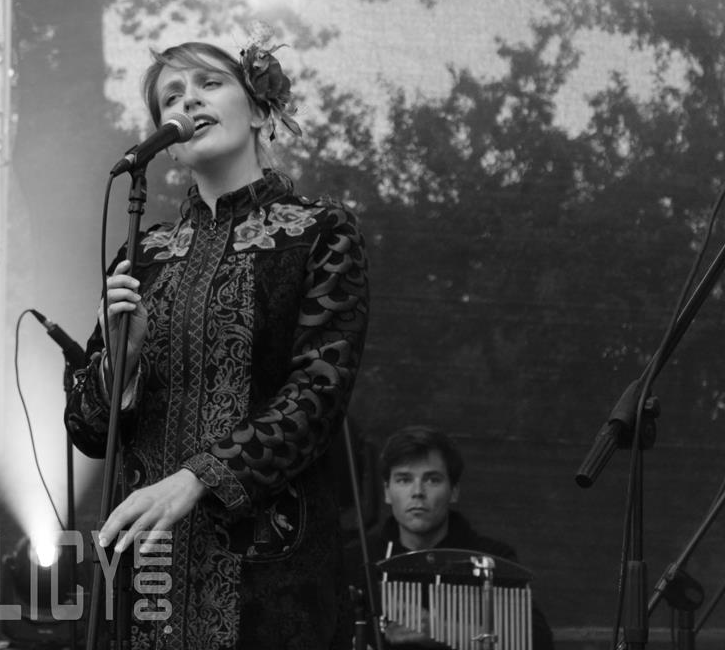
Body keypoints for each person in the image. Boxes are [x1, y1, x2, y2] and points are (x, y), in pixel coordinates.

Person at [64, 39, 370, 649]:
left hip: (271, 573)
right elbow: (89, 430)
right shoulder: (142, 254)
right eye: (172, 97)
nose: (189, 101)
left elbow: (318, 393)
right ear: (169, 144)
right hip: (148, 580)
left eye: (209, 84)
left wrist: (198, 478)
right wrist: (120, 365)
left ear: (257, 110)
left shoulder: (318, 232)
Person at [351, 426, 553, 650]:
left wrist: (441, 631)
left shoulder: (492, 559)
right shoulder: (358, 558)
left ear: (454, 491)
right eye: (404, 480)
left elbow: (538, 642)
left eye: (432, 480)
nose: (417, 492)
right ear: (387, 492)